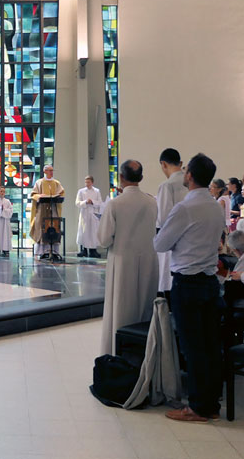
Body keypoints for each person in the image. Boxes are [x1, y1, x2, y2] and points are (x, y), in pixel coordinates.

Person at [154, 153, 224, 423]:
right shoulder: (215, 206)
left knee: (193, 347)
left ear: (190, 176)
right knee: (209, 345)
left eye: (186, 171)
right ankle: (211, 404)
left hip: (188, 282)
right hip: (208, 281)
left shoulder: (185, 207)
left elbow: (160, 244)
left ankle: (196, 407)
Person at [97, 160, 158, 355]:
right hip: (149, 261)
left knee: (121, 309)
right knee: (144, 307)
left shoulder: (115, 203)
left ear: (121, 177)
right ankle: (144, 356)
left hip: (122, 261)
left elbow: (104, 239)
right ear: (141, 177)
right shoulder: (152, 202)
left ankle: (119, 356)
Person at [155, 148, 188, 295]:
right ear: (180, 163)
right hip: (190, 240)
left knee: (168, 283)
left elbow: (163, 218)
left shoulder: (167, 185)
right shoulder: (190, 182)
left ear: (163, 164)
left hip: (172, 241)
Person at [30, 165, 65, 261]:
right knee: (42, 228)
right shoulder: (39, 182)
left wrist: (57, 196)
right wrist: (40, 195)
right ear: (44, 171)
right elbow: (33, 194)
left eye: (52, 170)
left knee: (54, 227)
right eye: (49, 170)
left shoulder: (56, 183)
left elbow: (61, 193)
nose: (51, 172)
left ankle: (53, 251)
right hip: (42, 209)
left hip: (53, 209)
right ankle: (43, 252)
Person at [76, 176, 103, 258]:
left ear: (92, 182)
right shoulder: (81, 191)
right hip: (85, 213)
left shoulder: (97, 191)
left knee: (93, 232)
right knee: (84, 231)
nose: (87, 184)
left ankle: (93, 250)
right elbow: (77, 202)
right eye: (86, 182)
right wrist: (85, 202)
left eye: (88, 182)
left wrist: (93, 202)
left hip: (93, 213)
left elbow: (100, 202)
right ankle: (84, 250)